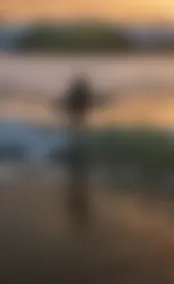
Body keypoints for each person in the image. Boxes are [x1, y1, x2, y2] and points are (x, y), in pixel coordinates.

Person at [60, 73, 94, 233]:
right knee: (78, 131)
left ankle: (75, 153)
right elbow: (83, 103)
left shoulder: (78, 92)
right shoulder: (80, 92)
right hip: (77, 115)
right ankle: (77, 154)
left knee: (76, 131)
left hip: (76, 115)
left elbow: (68, 103)